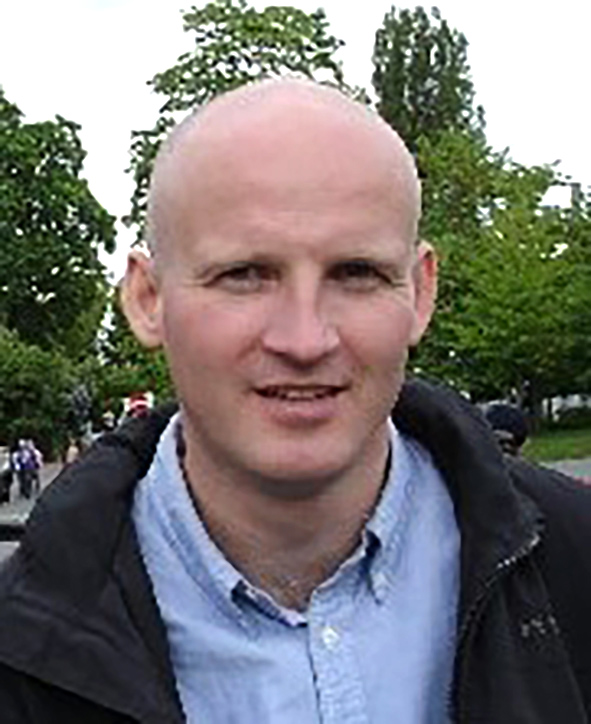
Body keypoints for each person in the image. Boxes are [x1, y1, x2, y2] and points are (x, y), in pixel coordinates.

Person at [0, 80, 590, 723]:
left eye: (356, 273)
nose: (305, 339)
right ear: (148, 299)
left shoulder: (576, 564)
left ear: (420, 294)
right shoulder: (18, 643)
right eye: (244, 275)